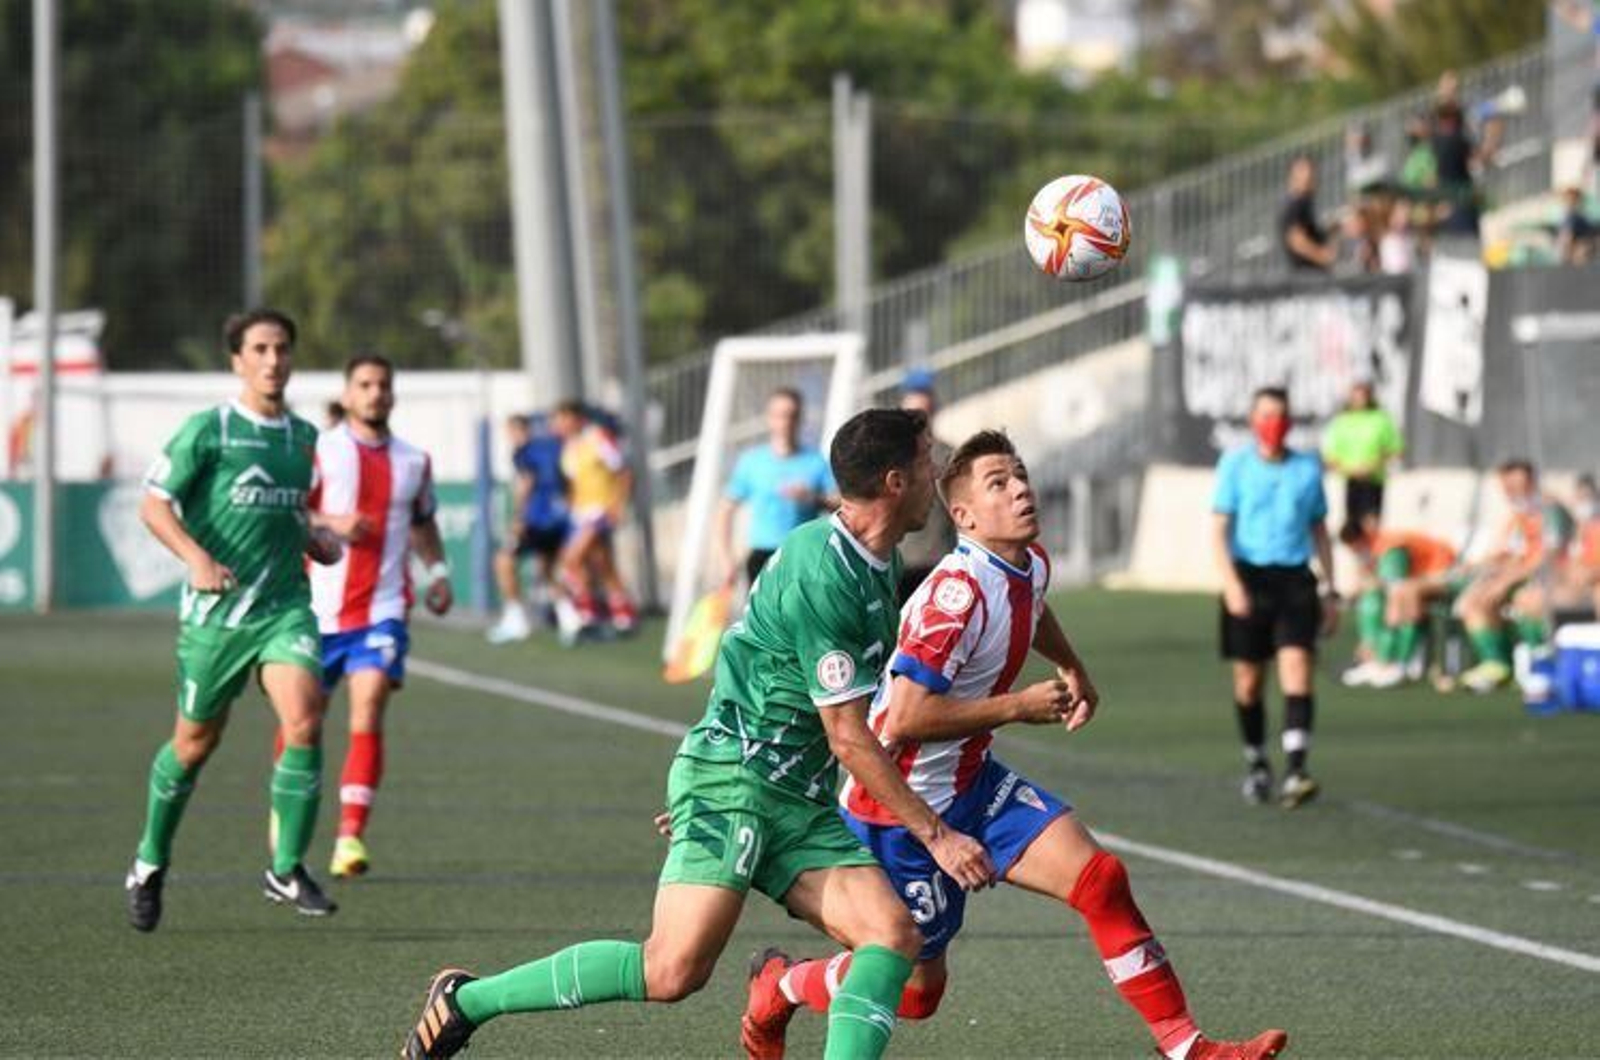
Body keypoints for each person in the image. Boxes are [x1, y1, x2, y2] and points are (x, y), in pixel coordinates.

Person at [402, 408, 990, 1060]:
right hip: (737, 782)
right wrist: (936, 834)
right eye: (926, 459)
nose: (935, 472)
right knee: (672, 971)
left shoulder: (872, 560)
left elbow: (773, 678)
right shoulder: (825, 572)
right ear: (893, 481)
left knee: (890, 934)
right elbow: (849, 737)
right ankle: (466, 1001)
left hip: (788, 796)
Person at [741, 430, 1288, 1060]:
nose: (1021, 488)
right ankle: (780, 985)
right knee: (916, 992)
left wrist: (1073, 667)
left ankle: (1188, 1048)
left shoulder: (1030, 561)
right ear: (965, 516)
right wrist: (1018, 707)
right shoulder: (954, 596)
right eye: (998, 483)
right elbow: (907, 718)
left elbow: (1033, 607)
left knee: (1101, 879)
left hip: (974, 783)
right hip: (900, 810)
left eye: (1020, 474)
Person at [124, 308, 343, 931]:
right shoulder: (210, 430)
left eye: (282, 348)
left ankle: (285, 865)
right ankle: (149, 860)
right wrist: (195, 556)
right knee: (194, 745)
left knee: (304, 719)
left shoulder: (302, 438)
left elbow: (289, 513)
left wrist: (315, 539)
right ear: (238, 360)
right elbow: (153, 503)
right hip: (216, 618)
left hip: (283, 609)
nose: (274, 359)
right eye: (261, 349)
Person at [301, 353, 453, 880]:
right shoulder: (319, 451)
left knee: (366, 709)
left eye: (383, 384)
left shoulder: (414, 461)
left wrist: (437, 572)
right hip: (315, 612)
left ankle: (349, 836)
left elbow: (424, 523)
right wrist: (331, 521)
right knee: (303, 724)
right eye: (364, 384)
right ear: (347, 394)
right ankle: (287, 821)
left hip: (383, 612)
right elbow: (291, 511)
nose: (375, 393)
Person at [1212, 387, 1338, 809]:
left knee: (1297, 667)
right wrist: (1231, 584)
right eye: (1266, 415)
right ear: (1252, 421)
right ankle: (1258, 762)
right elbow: (1218, 530)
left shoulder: (1307, 468)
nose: (1273, 423)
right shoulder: (1235, 465)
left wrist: (1330, 588)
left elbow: (1320, 530)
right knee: (1249, 682)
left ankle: (1297, 769)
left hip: (1295, 580)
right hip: (1248, 576)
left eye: (1281, 415)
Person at [1456, 460, 1575, 693]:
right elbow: (1508, 552)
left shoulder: (1552, 511)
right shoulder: (1518, 515)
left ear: (1531, 482)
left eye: (1516, 487)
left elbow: (1551, 557)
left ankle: (1543, 668)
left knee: (1526, 599)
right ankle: (1496, 665)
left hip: (1553, 580)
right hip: (1521, 577)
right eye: (1506, 488)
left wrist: (1507, 581)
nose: (1510, 493)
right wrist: (1479, 566)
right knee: (1474, 600)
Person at [716, 388, 836, 589]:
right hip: (762, 556)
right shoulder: (751, 461)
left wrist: (814, 498)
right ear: (769, 418)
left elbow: (842, 505)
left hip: (803, 556)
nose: (785, 422)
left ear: (800, 419)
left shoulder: (816, 461)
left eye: (791, 416)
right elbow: (725, 510)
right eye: (779, 415)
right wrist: (726, 557)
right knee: (762, 619)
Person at [1338, 513, 1459, 689]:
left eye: (1354, 548)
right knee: (1376, 598)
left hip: (1446, 575)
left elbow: (1393, 585)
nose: (1354, 553)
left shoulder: (1391, 546)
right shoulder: (1372, 547)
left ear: (1360, 539)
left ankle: (1394, 660)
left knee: (1400, 596)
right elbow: (1368, 580)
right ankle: (1378, 659)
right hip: (1423, 578)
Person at [550, 399, 637, 641]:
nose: (558, 424)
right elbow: (574, 483)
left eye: (562, 418)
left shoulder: (598, 438)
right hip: (580, 513)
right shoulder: (568, 447)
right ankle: (623, 615)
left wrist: (618, 505)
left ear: (576, 418)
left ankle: (587, 616)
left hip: (601, 510)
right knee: (601, 562)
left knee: (571, 559)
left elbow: (623, 471)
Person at [487, 413, 571, 644]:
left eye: (509, 432)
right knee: (548, 569)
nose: (508, 437)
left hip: (534, 520)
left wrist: (518, 518)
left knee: (503, 561)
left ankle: (516, 620)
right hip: (557, 519)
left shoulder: (523, 452)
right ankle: (569, 619)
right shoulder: (551, 448)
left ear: (518, 430)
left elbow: (526, 484)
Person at [893, 370, 959, 604]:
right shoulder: (891, 456)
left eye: (925, 412)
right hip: (898, 565)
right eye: (913, 414)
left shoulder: (950, 456)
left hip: (939, 563)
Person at [1321, 381, 1404, 536]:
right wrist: (1348, 469)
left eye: (1363, 396)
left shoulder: (1381, 420)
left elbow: (1395, 450)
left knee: (1371, 525)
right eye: (1356, 397)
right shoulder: (1342, 422)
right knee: (1351, 528)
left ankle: (1372, 556)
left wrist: (1374, 465)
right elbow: (1330, 456)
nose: (1360, 400)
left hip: (1373, 481)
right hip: (1349, 481)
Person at [1280, 156, 1336, 273]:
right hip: (1310, 275)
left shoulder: (1301, 203)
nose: (1314, 180)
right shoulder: (1297, 204)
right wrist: (1324, 256)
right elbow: (1297, 240)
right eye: (1309, 178)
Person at [1555, 187, 1596, 265]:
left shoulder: (1575, 218)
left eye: (1573, 200)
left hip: (1579, 259)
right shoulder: (1569, 218)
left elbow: (1567, 239)